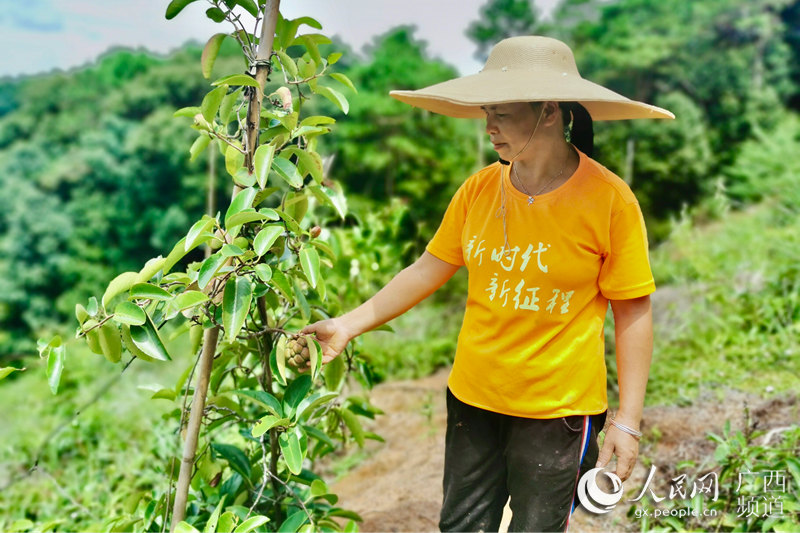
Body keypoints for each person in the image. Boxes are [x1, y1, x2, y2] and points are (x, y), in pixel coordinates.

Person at [302, 36, 673, 532]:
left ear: (547, 111)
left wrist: (627, 421)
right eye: (485, 112)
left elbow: (633, 311)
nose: (489, 126)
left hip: (558, 412)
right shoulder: (478, 190)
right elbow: (426, 269)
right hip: (473, 398)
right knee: (461, 526)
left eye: (501, 112)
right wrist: (348, 326)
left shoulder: (609, 200)